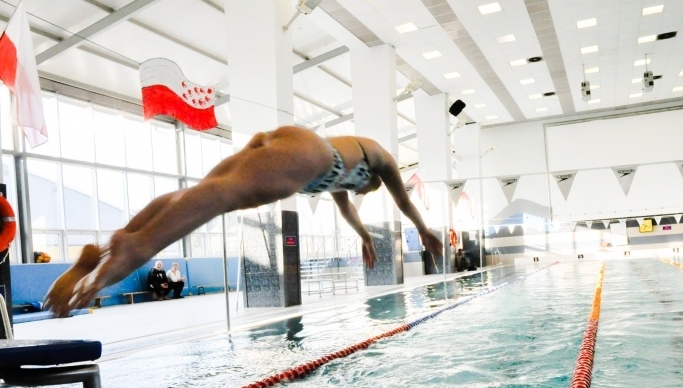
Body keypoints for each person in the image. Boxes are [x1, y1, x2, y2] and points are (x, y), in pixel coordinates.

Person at [44, 127, 443, 317]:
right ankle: (139, 246)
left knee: (207, 189)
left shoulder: (344, 173)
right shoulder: (381, 160)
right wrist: (424, 229)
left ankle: (121, 239)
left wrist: (364, 237)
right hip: (309, 155)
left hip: (289, 144)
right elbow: (402, 198)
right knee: (222, 195)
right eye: (367, 189)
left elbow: (345, 207)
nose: (363, 192)